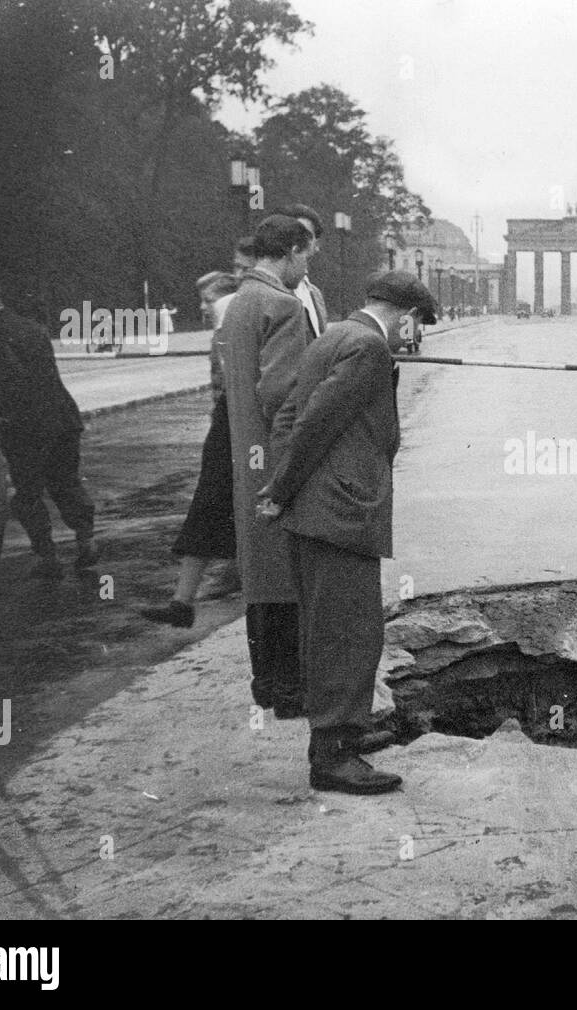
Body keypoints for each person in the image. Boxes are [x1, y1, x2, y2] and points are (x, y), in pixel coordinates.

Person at [258, 270, 436, 794]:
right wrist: (283, 490)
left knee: (329, 625)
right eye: (418, 324)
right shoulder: (368, 348)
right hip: (340, 513)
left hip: (320, 509)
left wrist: (283, 485)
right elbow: (313, 423)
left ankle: (344, 732)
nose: (417, 335)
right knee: (349, 630)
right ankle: (333, 756)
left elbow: (288, 414)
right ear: (402, 315)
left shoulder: (333, 335)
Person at [220, 215, 315, 718]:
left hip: (246, 456)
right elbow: (283, 396)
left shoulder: (239, 302)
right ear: (292, 251)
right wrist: (293, 469)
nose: (306, 268)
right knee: (286, 573)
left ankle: (267, 681)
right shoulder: (282, 305)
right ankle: (289, 687)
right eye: (306, 257)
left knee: (260, 572)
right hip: (275, 460)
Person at [0, 279, 98, 579]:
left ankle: (48, 558)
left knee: (28, 493)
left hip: (27, 424)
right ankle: (87, 539)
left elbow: (14, 378)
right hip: (63, 417)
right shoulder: (30, 326)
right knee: (66, 482)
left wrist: (2, 416)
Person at [140, 252, 250, 629]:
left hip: (238, 427)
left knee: (217, 508)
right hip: (228, 424)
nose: (202, 308)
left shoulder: (233, 319)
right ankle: (184, 601)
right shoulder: (225, 326)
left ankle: (190, 602)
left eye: (206, 300)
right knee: (213, 510)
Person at [273, 204, 328, 340]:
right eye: (292, 234)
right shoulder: (272, 289)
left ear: (316, 245)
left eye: (306, 236)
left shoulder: (315, 294)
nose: (298, 241)